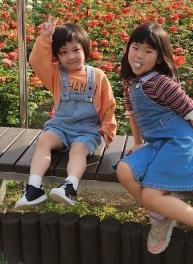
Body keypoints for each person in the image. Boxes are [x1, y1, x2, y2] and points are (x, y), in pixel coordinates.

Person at [115, 22, 193, 264]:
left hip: (180, 144)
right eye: (135, 48)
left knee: (151, 195)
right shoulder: (130, 81)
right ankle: (161, 215)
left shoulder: (161, 84)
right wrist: (137, 142)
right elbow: (132, 113)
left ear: (159, 58)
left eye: (148, 51)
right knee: (124, 170)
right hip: (157, 144)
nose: (139, 55)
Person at [15, 17, 117, 209]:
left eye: (75, 50)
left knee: (78, 150)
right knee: (44, 140)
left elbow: (108, 105)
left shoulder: (97, 76)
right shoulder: (55, 74)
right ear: (57, 56)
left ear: (85, 49)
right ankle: (34, 188)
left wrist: (107, 128)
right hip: (61, 126)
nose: (71, 56)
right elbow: (36, 61)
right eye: (63, 52)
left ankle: (70, 186)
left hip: (87, 131)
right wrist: (45, 38)